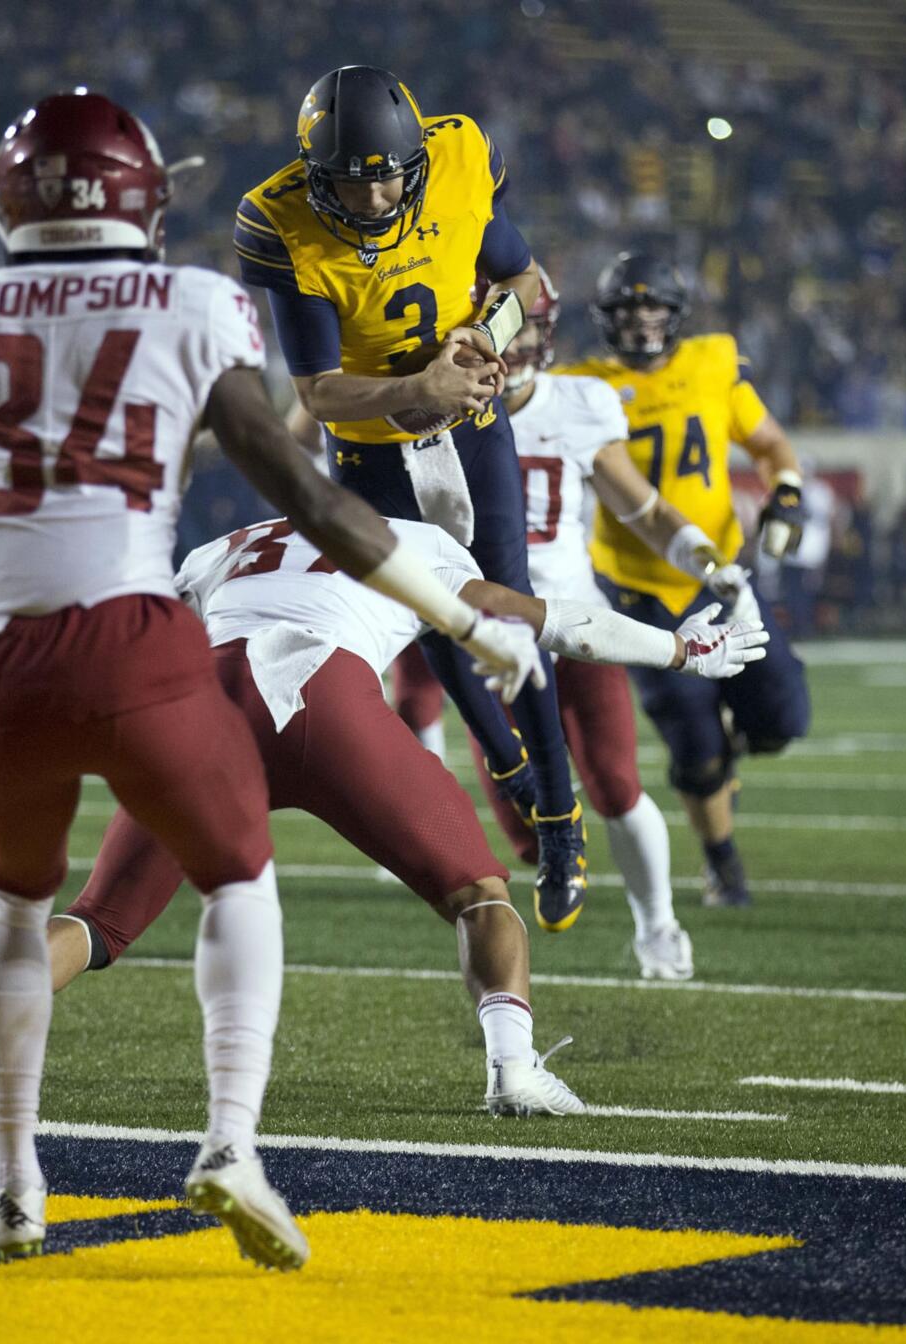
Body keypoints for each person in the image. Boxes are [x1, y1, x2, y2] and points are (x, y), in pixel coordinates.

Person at [0, 91, 546, 1271]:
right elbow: (312, 498)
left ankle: (8, 1188)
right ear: (140, 198)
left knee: (17, 908)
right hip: (136, 649)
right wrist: (461, 612)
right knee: (238, 880)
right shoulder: (186, 303)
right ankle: (228, 1144)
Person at [0, 516, 764, 1121]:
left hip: (200, 708)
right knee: (480, 894)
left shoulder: (230, 540)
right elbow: (553, 624)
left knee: (99, 920)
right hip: (321, 699)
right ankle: (514, 1071)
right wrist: (682, 647)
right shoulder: (418, 538)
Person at [235, 64, 589, 934]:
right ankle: (505, 764)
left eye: (389, 173)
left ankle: (558, 811)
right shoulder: (276, 218)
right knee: (433, 618)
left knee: (506, 608)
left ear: (418, 158)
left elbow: (528, 284)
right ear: (317, 175)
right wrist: (414, 387)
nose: (375, 194)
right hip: (372, 451)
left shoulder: (461, 154)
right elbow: (318, 393)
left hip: (471, 427)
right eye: (352, 181)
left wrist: (482, 339)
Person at [474, 269, 778, 972]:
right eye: (503, 326)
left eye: (527, 326)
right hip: (492, 635)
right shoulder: (443, 411)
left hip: (577, 621)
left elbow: (643, 509)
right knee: (526, 838)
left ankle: (659, 927)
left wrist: (708, 561)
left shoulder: (579, 403)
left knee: (614, 784)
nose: (516, 344)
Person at [560, 254, 812, 907]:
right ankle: (723, 865)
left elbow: (771, 446)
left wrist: (786, 493)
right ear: (606, 319)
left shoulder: (713, 362)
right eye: (628, 311)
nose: (643, 324)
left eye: (654, 310)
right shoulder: (580, 385)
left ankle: (733, 753)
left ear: (676, 316)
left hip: (725, 579)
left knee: (786, 717)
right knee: (695, 750)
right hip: (641, 591)